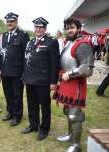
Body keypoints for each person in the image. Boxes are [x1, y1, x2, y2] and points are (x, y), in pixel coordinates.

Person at [53, 18, 94, 152]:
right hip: (66, 83)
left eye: (72, 27)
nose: (69, 30)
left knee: (74, 115)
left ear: (78, 28)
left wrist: (70, 74)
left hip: (76, 84)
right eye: (67, 28)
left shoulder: (83, 44)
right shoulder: (68, 43)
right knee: (67, 111)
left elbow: (87, 68)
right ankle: (70, 135)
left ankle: (76, 145)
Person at [21, 17, 60, 141]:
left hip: (43, 81)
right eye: (36, 27)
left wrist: (54, 82)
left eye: (40, 27)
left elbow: (55, 63)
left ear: (45, 28)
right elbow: (26, 60)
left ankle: (44, 129)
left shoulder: (51, 42)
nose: (38, 29)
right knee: (31, 105)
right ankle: (33, 125)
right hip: (30, 79)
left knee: (44, 106)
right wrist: (24, 76)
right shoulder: (30, 42)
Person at [0, 12, 29, 126]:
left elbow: (26, 55)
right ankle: (10, 112)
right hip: (5, 70)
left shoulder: (23, 35)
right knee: (8, 93)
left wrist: (25, 72)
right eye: (8, 22)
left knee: (17, 95)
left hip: (17, 71)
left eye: (12, 21)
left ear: (16, 22)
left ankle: (17, 115)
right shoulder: (3, 36)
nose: (9, 23)